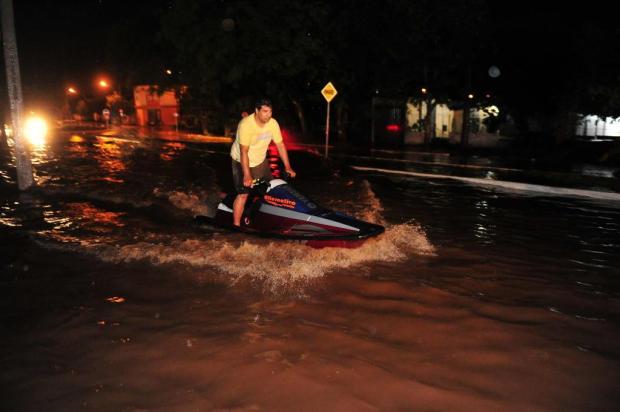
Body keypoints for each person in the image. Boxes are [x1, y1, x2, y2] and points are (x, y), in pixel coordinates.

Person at [230, 98, 296, 227]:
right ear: (257, 111)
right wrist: (247, 174)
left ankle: (267, 218)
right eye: (265, 111)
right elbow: (244, 152)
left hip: (260, 161)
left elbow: (280, 145)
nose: (268, 114)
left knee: (271, 189)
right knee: (243, 194)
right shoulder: (245, 125)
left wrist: (288, 167)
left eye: (270, 111)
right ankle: (236, 226)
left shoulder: (273, 123)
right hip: (241, 160)